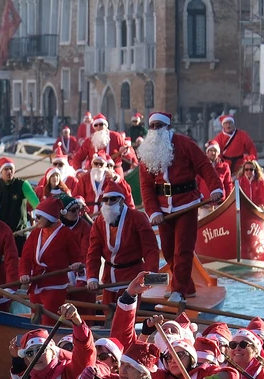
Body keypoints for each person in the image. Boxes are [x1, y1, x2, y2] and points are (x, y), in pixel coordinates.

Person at [139, 111, 223, 303]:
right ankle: (188, 285)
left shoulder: (184, 144)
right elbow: (145, 186)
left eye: (159, 125)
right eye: (152, 126)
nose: (155, 129)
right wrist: (152, 211)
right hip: (162, 210)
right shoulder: (147, 152)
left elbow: (204, 166)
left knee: (183, 249)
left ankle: (179, 292)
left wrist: (216, 188)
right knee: (168, 251)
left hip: (187, 203)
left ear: (167, 127)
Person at [86, 180, 159, 312]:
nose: (108, 203)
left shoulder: (138, 217)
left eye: (112, 199)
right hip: (109, 278)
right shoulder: (99, 222)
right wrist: (92, 277)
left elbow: (151, 249)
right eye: (105, 199)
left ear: (121, 200)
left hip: (132, 276)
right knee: (108, 313)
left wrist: (152, 274)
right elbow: (93, 252)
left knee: (128, 314)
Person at [19, 197, 83, 325]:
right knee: (35, 321)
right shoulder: (35, 233)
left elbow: (78, 257)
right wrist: (24, 274)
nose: (36, 220)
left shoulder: (66, 234)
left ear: (50, 218)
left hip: (55, 285)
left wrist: (78, 265)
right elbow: (25, 257)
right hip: (36, 283)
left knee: (48, 321)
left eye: (39, 217)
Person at [0, 158, 39, 256]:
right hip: (0, 234)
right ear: (1, 172)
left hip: (20, 232)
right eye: (6, 169)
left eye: (11, 169)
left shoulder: (23, 185)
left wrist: (41, 216)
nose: (9, 172)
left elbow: (36, 204)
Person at [73, 151, 108, 216]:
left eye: (101, 164)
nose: (98, 166)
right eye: (96, 163)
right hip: (87, 213)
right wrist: (80, 201)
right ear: (92, 164)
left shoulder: (109, 179)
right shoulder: (84, 178)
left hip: (104, 214)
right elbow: (77, 194)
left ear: (105, 166)